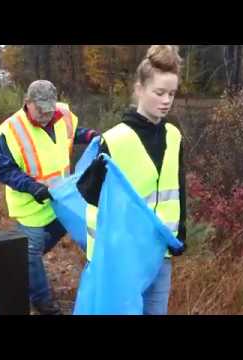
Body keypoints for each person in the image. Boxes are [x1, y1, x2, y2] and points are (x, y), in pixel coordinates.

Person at [78, 45, 187, 315]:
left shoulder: (174, 135)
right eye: (159, 92)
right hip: (123, 253)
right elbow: (90, 194)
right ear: (139, 89)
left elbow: (179, 190)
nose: (166, 100)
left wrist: (180, 233)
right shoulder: (114, 139)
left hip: (160, 251)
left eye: (171, 94)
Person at [0, 80, 99, 315]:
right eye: (40, 110)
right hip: (32, 206)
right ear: (27, 103)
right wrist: (32, 187)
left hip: (62, 202)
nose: (46, 115)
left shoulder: (62, 115)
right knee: (31, 254)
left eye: (49, 109)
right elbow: (5, 170)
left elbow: (70, 135)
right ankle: (42, 301)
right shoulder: (8, 132)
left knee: (34, 254)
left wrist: (89, 135)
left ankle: (20, 268)